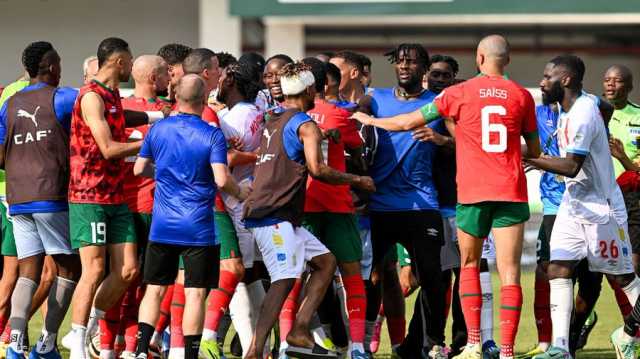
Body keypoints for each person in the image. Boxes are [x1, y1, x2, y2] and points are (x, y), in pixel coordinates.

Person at [352, 35, 541, 359]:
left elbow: (405, 122)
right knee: (508, 273)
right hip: (509, 189)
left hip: (469, 192)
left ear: (479, 57)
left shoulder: (457, 94)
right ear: (506, 60)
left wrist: (369, 120)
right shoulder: (521, 95)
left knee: (465, 266)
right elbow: (533, 151)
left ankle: (471, 344)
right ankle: (506, 351)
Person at [242, 62, 375, 359]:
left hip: (277, 214)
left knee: (326, 263)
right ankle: (255, 350)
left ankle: (300, 330)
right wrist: (358, 179)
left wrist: (324, 136)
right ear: (311, 90)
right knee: (284, 279)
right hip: (274, 216)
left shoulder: (274, 118)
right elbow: (318, 170)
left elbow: (292, 143)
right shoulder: (305, 125)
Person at [525, 55, 640, 359]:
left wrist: (527, 157)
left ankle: (629, 333)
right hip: (574, 204)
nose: (541, 82)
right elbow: (604, 107)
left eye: (547, 76)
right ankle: (560, 348)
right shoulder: (580, 104)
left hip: (602, 208)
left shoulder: (582, 114)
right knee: (558, 268)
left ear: (565, 80)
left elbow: (571, 166)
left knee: (624, 278)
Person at [132, 74, 248, 359]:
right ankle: (190, 354)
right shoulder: (211, 134)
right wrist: (243, 193)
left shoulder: (159, 129)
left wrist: (162, 175)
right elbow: (222, 180)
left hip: (162, 224)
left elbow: (138, 169)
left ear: (177, 97)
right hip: (198, 226)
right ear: (202, 99)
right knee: (195, 293)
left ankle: (138, 349)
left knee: (155, 289)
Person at [66, 37, 163, 359]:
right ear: (120, 62)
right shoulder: (91, 96)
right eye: (130, 59)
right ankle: (77, 342)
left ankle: (91, 325)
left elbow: (122, 118)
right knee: (93, 270)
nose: (131, 65)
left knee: (128, 271)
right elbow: (109, 148)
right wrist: (151, 143)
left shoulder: (111, 97)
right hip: (88, 195)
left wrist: (158, 119)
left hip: (115, 196)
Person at [354, 43, 449, 359]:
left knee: (433, 275)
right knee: (372, 275)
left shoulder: (437, 103)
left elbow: (463, 142)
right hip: (379, 205)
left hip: (422, 204)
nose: (405, 66)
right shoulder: (375, 99)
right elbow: (356, 117)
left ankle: (433, 342)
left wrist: (441, 140)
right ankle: (364, 340)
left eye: (412, 62)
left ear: (424, 69)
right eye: (400, 62)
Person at [0, 41, 80, 359]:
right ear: (50, 66)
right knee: (69, 267)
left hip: (17, 197)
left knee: (28, 269)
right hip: (50, 194)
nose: (62, 69)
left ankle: (16, 343)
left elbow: (1, 155)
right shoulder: (62, 97)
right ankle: (46, 343)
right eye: (59, 63)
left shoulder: (10, 103)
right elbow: (97, 109)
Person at [94, 54, 171, 359]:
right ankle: (130, 347)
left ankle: (108, 345)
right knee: (146, 283)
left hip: (118, 204)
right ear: (154, 78)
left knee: (121, 279)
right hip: (151, 206)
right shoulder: (166, 113)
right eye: (166, 74)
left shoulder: (115, 109)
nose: (170, 80)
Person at [300, 57, 368, 359]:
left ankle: (290, 342)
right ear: (325, 82)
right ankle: (357, 346)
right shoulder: (339, 116)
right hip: (339, 205)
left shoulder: (288, 117)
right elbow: (357, 150)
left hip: (303, 205)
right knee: (352, 274)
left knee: (293, 276)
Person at [201, 60, 264, 359]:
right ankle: (256, 344)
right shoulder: (249, 113)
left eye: (223, 75)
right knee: (243, 274)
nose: (217, 80)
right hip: (236, 202)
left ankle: (221, 339)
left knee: (237, 273)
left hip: (232, 202)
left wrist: (239, 155)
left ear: (232, 82)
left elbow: (223, 164)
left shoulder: (235, 118)